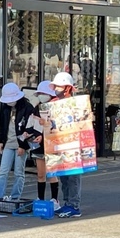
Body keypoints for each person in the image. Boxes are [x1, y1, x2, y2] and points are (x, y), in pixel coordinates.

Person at [45, 73, 85, 219]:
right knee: (64, 177)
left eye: (58, 86)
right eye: (55, 86)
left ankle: (74, 206)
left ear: (67, 88)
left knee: (73, 176)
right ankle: (67, 202)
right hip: (59, 144)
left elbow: (83, 124)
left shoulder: (76, 105)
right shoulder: (54, 103)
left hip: (73, 145)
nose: (56, 89)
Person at [0, 82, 33, 206]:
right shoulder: (6, 107)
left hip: (20, 143)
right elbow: (2, 124)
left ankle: (15, 197)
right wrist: (1, 141)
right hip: (8, 142)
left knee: (19, 172)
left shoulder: (27, 107)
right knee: (3, 171)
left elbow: (30, 128)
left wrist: (23, 146)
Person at [25, 80, 60, 207]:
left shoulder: (57, 107)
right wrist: (34, 135)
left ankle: (54, 199)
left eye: (42, 93)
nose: (41, 95)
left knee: (52, 173)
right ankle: (40, 198)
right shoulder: (36, 108)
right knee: (40, 174)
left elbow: (58, 127)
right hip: (38, 146)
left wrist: (46, 126)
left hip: (52, 144)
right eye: (39, 93)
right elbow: (30, 126)